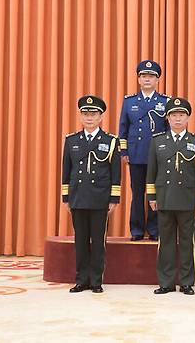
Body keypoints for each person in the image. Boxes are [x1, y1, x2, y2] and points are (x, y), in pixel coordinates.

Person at [147, 97, 195, 295]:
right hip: (164, 198)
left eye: (182, 115)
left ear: (188, 117)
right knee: (166, 242)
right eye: (174, 115)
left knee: (187, 242)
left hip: (187, 199)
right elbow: (152, 172)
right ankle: (166, 282)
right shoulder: (158, 141)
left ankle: (187, 281)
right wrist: (152, 197)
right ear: (168, 118)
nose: (178, 119)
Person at [61, 95, 120, 293]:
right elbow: (66, 171)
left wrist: (114, 198)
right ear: (80, 116)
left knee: (98, 242)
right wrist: (66, 197)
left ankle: (96, 281)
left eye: (93, 114)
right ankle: (81, 280)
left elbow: (116, 173)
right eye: (85, 113)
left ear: (101, 117)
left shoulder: (110, 141)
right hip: (78, 197)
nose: (89, 117)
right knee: (80, 241)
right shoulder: (71, 140)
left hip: (100, 198)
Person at [118, 60, 169, 241]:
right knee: (137, 194)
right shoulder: (129, 101)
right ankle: (137, 230)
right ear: (139, 79)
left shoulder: (164, 101)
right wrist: (124, 152)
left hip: (158, 156)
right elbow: (123, 129)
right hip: (136, 155)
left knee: (156, 193)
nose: (147, 79)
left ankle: (155, 230)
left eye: (151, 76)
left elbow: (169, 130)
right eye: (144, 76)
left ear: (157, 80)